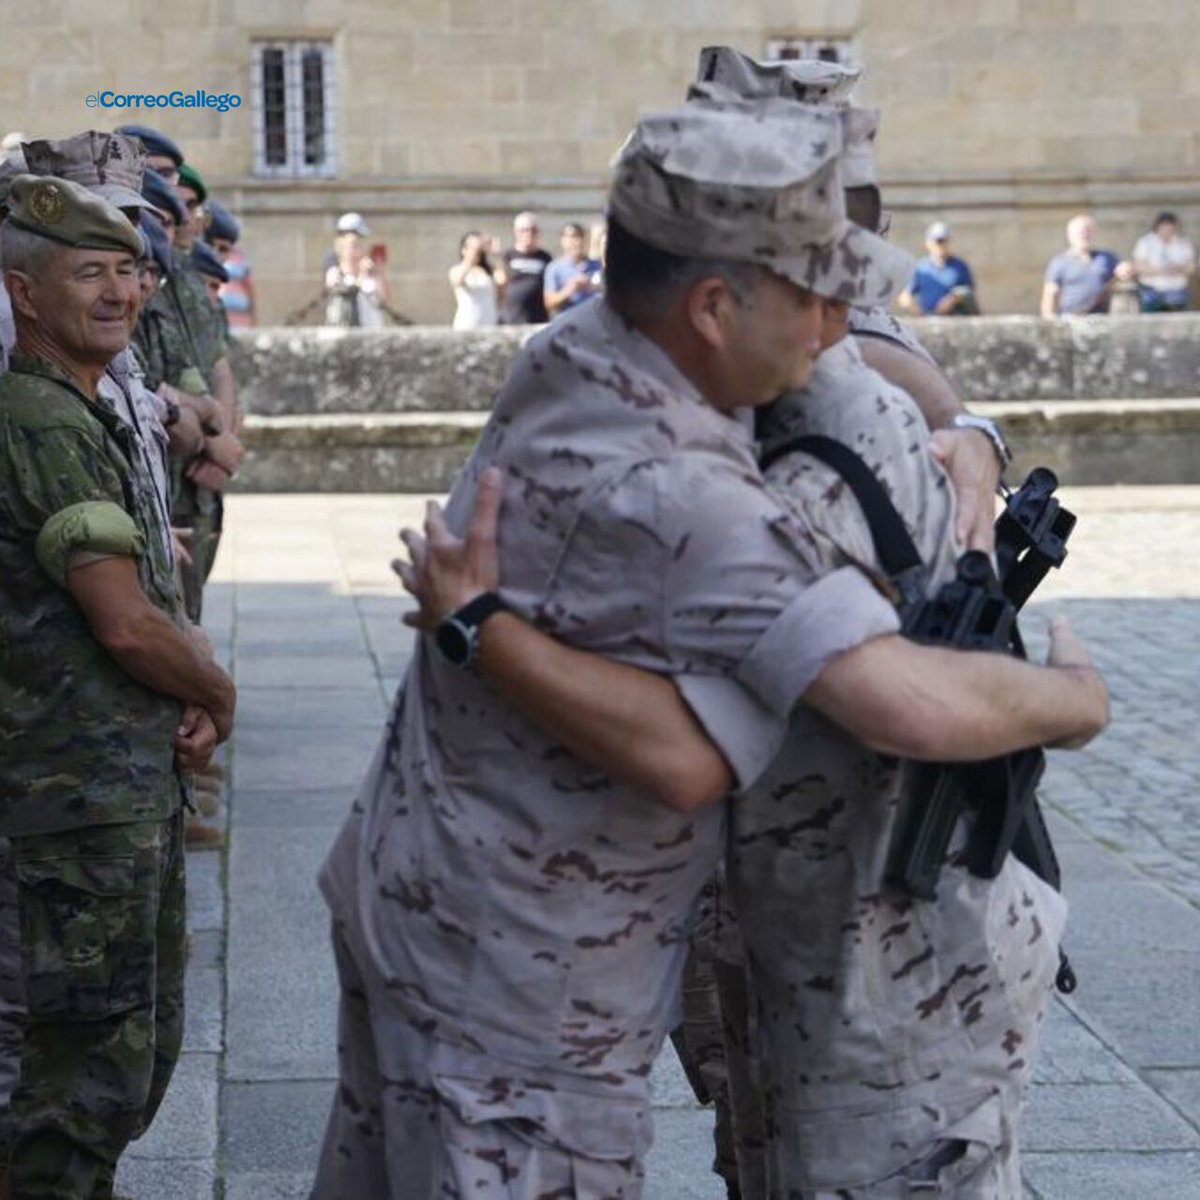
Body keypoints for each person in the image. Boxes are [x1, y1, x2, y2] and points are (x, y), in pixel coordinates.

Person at [312, 100, 1108, 1199]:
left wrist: (969, 435)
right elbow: (891, 709)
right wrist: (1072, 695)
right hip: (523, 986)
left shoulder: (574, 353)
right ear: (714, 305)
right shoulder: (693, 495)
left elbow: (882, 374)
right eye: (815, 295)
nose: (837, 327)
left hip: (424, 898)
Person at [0, 172, 236, 1198]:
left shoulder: (82, 407)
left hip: (117, 784)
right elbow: (127, 621)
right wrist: (216, 690)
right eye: (88, 273)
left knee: (130, 1048)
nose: (120, 293)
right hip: (74, 796)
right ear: (23, 292)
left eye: (128, 272)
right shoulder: (42, 421)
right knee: (82, 1073)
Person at [1040, 214, 1121, 317]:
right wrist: (1049, 319)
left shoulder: (1107, 257)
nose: (1085, 235)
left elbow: (1122, 276)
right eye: (1081, 232)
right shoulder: (1059, 262)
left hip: (1102, 318)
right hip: (1070, 318)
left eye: (1088, 231)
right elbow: (1050, 295)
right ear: (1070, 235)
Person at [899, 221, 979, 315]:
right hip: (928, 318)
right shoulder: (921, 268)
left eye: (944, 241)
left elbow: (968, 292)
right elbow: (905, 296)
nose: (941, 245)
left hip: (954, 317)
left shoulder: (960, 266)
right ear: (928, 243)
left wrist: (952, 299)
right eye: (938, 241)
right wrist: (917, 311)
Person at [204, 199, 256, 329]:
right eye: (208, 245)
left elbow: (251, 294)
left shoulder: (240, 261)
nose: (215, 255)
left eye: (223, 250)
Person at [494, 210, 551, 324]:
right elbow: (499, 285)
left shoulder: (545, 257)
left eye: (533, 230)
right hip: (512, 319)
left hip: (538, 319)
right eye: (524, 230)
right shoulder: (507, 256)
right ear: (516, 232)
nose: (529, 233)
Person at [1132, 210, 1195, 312]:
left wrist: (1178, 268)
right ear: (1157, 227)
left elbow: (1191, 268)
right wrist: (1162, 270)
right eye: (1164, 228)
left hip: (1176, 292)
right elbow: (1138, 266)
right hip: (1151, 290)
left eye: (1170, 229)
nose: (1167, 231)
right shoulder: (1145, 242)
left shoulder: (1183, 244)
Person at [543, 221, 602, 317]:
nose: (576, 241)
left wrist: (593, 287)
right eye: (571, 237)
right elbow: (549, 303)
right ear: (563, 240)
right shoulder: (554, 268)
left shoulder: (597, 266)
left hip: (592, 319)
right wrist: (570, 289)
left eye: (579, 236)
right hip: (567, 321)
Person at [448, 230, 499, 330]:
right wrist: (472, 254)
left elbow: (502, 285)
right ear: (463, 250)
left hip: (489, 324)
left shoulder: (488, 271)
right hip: (467, 325)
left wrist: (496, 254)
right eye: (470, 247)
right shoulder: (456, 269)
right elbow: (457, 281)